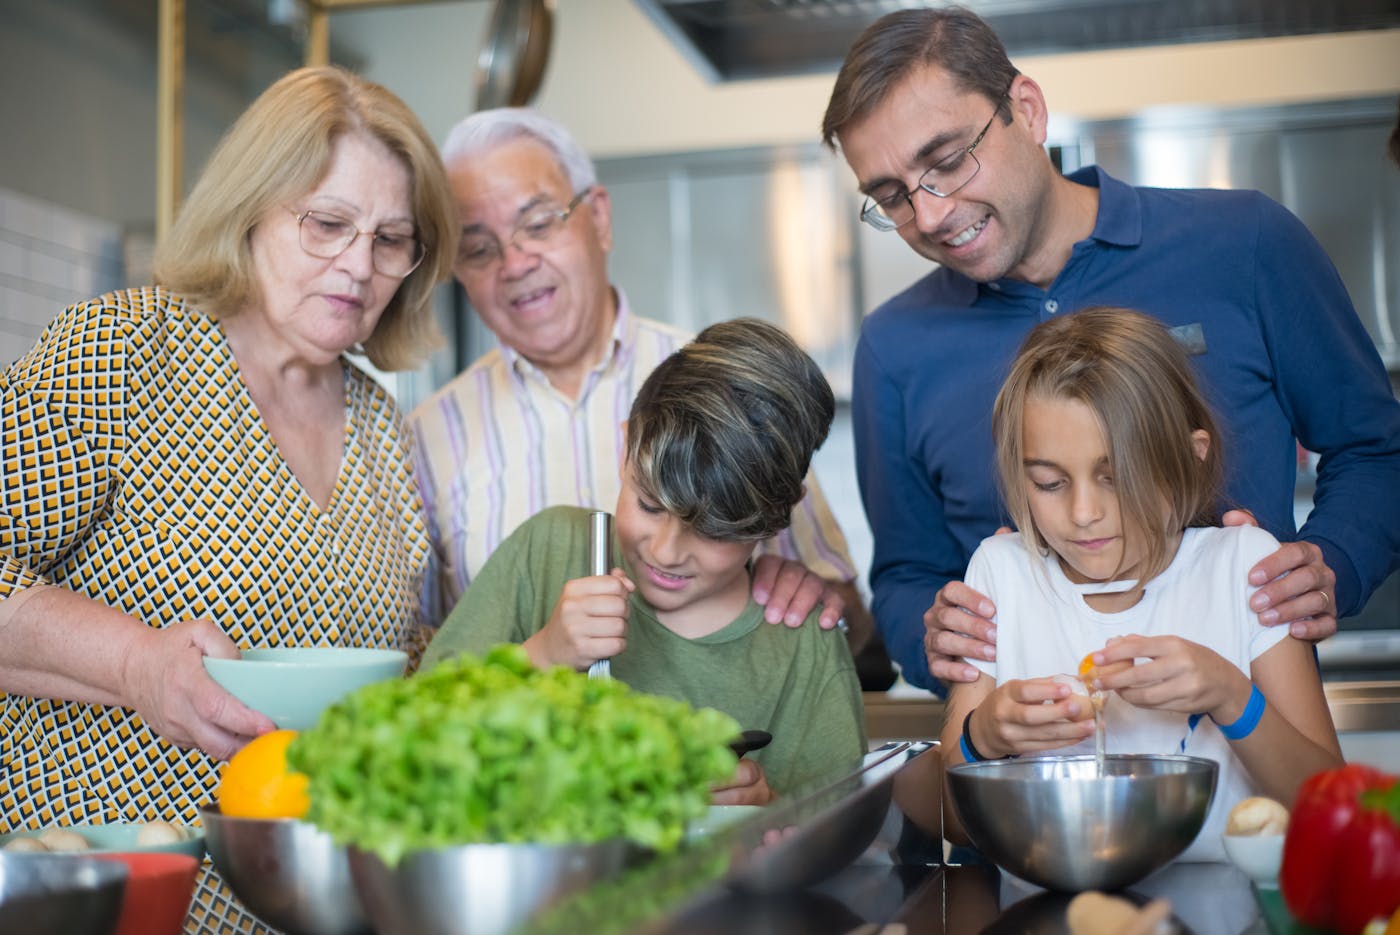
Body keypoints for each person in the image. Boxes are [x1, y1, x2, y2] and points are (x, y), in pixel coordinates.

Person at [820, 6, 1400, 693]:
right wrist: (936, 635)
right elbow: (907, 575)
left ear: (1027, 111)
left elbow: (1375, 448)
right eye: (892, 198)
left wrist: (1334, 559)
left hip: (1256, 742)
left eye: (946, 161)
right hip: (1035, 772)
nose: (932, 214)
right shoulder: (894, 348)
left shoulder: (1247, 242)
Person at [0, 66, 455, 932]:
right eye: (328, 223)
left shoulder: (384, 429)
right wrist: (136, 663)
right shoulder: (129, 351)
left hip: (315, 909)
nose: (359, 265)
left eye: (392, 239)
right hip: (107, 902)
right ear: (251, 207)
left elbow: (401, 656)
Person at [409, 108, 894, 687]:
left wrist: (818, 599)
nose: (515, 264)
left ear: (600, 217)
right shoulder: (425, 435)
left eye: (538, 223)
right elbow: (433, 664)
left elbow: (857, 636)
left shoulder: (724, 392)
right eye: (478, 249)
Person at [938, 308, 1343, 859]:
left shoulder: (1244, 568)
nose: (1084, 513)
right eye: (1050, 483)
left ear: (1192, 460)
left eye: (1117, 477)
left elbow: (1331, 810)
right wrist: (981, 738)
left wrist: (1231, 696)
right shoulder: (1000, 573)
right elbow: (949, 821)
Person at [423, 319, 868, 801]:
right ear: (625, 445)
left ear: (778, 517)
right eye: (650, 505)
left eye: (713, 529)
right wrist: (543, 655)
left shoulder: (803, 645)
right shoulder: (545, 550)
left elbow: (839, 823)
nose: (665, 552)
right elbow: (414, 727)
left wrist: (766, 809)